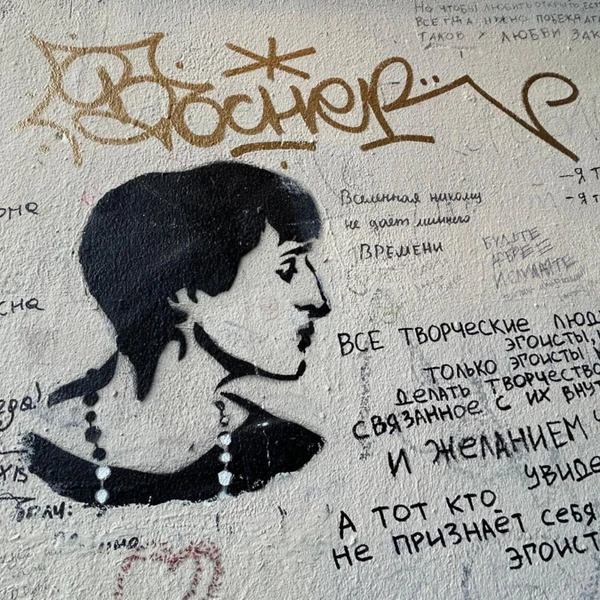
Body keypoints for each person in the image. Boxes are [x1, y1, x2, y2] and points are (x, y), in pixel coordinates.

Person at [24, 161, 330, 507]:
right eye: (288, 266)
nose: (318, 300)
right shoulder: (39, 448)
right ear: (188, 291)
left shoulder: (287, 450)